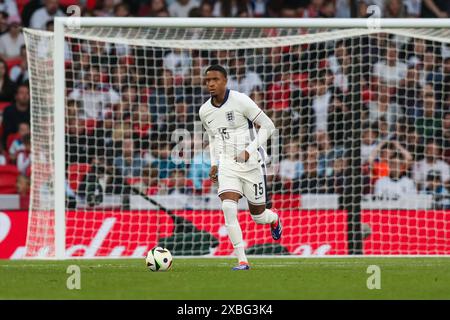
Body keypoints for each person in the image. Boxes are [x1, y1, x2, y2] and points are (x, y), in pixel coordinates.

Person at [199, 65, 282, 271]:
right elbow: (212, 136)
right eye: (207, 80)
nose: (210, 83)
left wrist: (249, 150)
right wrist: (215, 163)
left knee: (259, 216)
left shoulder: (241, 100)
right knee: (228, 207)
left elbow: (269, 126)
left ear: (225, 80)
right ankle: (242, 260)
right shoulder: (204, 111)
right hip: (227, 164)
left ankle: (274, 219)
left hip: (251, 164)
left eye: (215, 79)